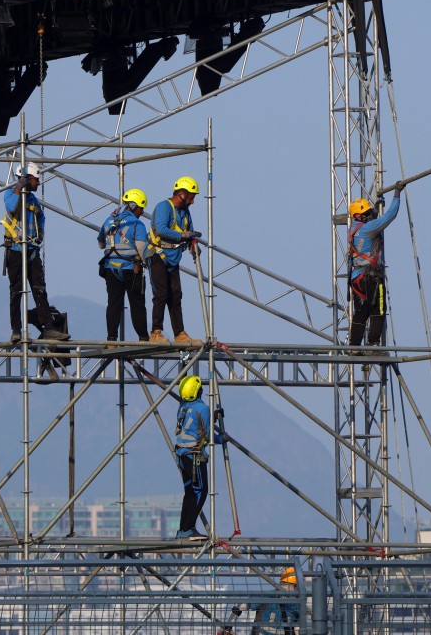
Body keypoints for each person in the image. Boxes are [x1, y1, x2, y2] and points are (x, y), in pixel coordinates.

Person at [1, 161, 71, 342]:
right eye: (35, 179)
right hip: (15, 250)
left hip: (31, 251)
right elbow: (11, 207)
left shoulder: (33, 201)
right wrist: (18, 188)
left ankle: (48, 328)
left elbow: (41, 217)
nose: (38, 183)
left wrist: (40, 235)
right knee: (16, 292)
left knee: (40, 290)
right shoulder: (10, 194)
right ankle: (16, 330)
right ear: (26, 179)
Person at [347, 180, 405, 352]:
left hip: (357, 279)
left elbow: (372, 221)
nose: (369, 215)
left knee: (361, 313)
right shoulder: (369, 229)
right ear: (359, 215)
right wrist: (397, 194)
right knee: (378, 310)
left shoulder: (354, 230)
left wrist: (374, 207)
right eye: (366, 213)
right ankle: (373, 344)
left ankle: (354, 346)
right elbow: (390, 216)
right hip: (371, 276)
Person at [148, 176, 203, 344]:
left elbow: (190, 231)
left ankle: (179, 333)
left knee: (176, 295)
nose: (193, 201)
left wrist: (193, 243)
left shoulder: (185, 212)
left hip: (173, 257)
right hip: (158, 255)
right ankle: (156, 333)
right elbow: (161, 229)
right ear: (181, 194)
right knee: (161, 293)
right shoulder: (164, 207)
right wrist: (182, 235)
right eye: (191, 197)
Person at [98, 188, 150, 343]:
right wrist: (148, 263)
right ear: (136, 206)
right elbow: (141, 248)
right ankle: (143, 337)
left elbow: (101, 243)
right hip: (131, 269)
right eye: (141, 208)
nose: (142, 212)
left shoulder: (109, 221)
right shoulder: (137, 223)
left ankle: (111, 339)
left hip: (110, 268)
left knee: (114, 303)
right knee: (137, 303)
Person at [174, 374, 222, 540]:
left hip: (182, 455)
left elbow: (194, 421)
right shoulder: (202, 408)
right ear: (199, 391)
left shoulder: (183, 406)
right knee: (201, 490)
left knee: (190, 492)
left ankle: (183, 530)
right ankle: (188, 528)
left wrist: (213, 416)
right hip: (193, 456)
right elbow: (207, 435)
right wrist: (222, 439)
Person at [222, 568, 301, 635]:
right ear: (289, 585)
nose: (299, 591)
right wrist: (229, 627)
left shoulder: (296, 605)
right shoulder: (267, 597)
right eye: (297, 587)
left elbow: (297, 628)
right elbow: (241, 605)